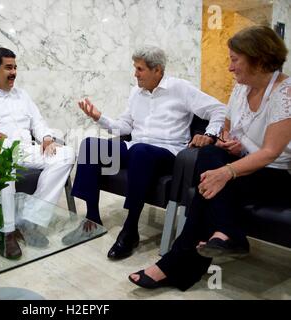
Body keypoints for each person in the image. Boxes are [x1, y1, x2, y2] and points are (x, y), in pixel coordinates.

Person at [130, 26, 291, 291]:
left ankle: (172, 266)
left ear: (258, 58)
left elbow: (270, 152)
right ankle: (229, 233)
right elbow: (227, 129)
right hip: (242, 163)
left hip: (275, 174)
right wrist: (229, 143)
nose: (230, 68)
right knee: (207, 155)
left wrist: (227, 171)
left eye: (234, 60)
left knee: (209, 189)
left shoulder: (285, 92)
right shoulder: (240, 89)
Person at [63, 46, 226, 260]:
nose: (135, 74)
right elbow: (124, 127)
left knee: (141, 151)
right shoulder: (135, 92)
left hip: (168, 153)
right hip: (136, 148)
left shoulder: (180, 89)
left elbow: (219, 109)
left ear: (157, 70)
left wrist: (210, 134)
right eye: (135, 68)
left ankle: (130, 230)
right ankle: (93, 219)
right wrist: (99, 118)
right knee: (91, 145)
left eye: (140, 69)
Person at [0, 47, 75, 260]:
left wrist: (46, 138)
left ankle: (30, 222)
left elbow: (37, 121)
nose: (14, 72)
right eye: (9, 67)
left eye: (15, 67)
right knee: (2, 160)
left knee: (66, 154)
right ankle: (7, 232)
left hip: (25, 149)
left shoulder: (22, 95)